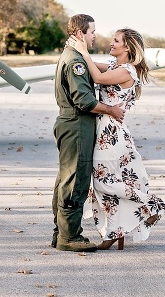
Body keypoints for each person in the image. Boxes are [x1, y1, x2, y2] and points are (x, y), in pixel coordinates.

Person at [67, 27, 165, 249]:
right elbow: (91, 67)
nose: (111, 43)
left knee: (104, 182)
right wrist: (79, 49)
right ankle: (112, 232)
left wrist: (82, 50)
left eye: (116, 40)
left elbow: (97, 76)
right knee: (105, 183)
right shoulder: (116, 66)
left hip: (111, 134)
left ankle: (152, 205)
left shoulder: (127, 71)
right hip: (104, 130)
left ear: (127, 47)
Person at [52, 15, 127, 252]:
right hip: (77, 125)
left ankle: (61, 232)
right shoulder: (76, 61)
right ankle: (69, 236)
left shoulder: (73, 56)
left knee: (66, 179)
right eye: (92, 32)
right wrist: (111, 110)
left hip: (71, 122)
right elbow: (84, 100)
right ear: (80, 34)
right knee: (76, 180)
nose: (95, 36)